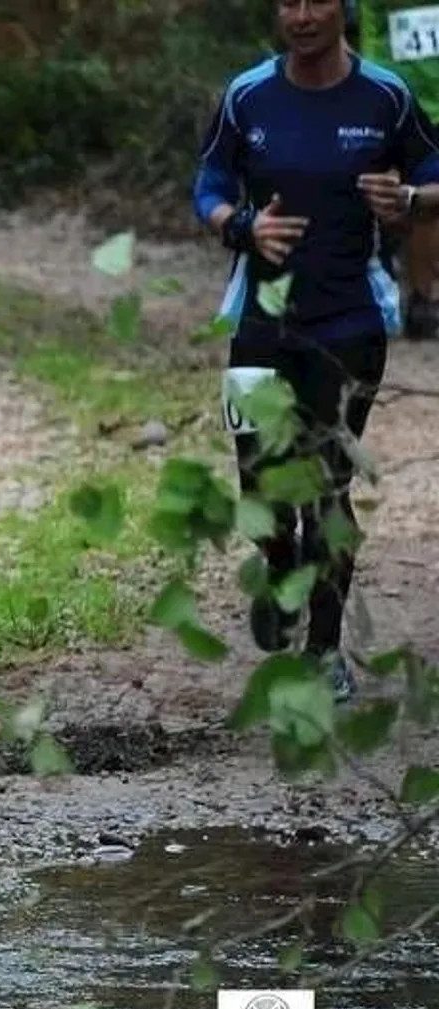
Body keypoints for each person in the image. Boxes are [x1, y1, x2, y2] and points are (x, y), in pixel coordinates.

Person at [193, 0, 439, 702]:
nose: (300, 15)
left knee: (328, 487)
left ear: (344, 10)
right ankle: (281, 568)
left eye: (316, 0)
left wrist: (411, 201)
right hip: (258, 323)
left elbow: (432, 175)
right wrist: (238, 226)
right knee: (262, 494)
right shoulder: (247, 96)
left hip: (349, 323)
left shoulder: (386, 96)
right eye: (287, 2)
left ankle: (325, 651)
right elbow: (208, 185)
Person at [351, 0, 439, 335]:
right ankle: (393, 288)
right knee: (391, 199)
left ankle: (422, 299)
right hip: (392, 98)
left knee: (425, 204)